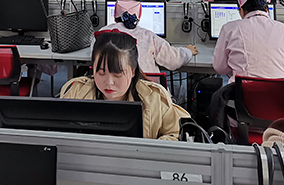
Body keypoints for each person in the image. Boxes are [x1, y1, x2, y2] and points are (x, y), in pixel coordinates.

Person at [61, 31, 190, 140]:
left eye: (117, 74)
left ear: (133, 71)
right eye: (101, 73)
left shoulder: (155, 98)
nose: (109, 82)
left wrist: (151, 150)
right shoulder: (76, 93)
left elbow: (176, 134)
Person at [97, 0, 198, 73]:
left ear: (115, 17)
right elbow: (174, 60)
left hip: (109, 90)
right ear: (138, 18)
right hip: (145, 90)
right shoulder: (148, 36)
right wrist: (188, 51)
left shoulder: (101, 34)